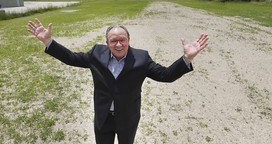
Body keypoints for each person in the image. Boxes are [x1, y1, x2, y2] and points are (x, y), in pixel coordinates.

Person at [27, 18, 209, 144]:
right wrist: (49, 42)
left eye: (123, 39)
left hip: (128, 118)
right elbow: (72, 58)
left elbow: (165, 75)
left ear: (129, 40)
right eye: (113, 41)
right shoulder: (96, 54)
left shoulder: (141, 58)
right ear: (106, 42)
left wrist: (187, 59)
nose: (119, 44)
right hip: (103, 116)